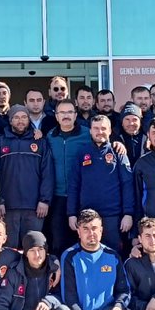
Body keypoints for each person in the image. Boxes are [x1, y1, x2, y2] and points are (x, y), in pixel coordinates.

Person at [67, 115, 134, 252]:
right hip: (87, 216)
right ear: (90, 131)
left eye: (103, 128)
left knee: (113, 255)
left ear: (110, 131)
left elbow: (127, 184)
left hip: (113, 217)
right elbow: (74, 185)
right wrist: (71, 213)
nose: (100, 131)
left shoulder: (118, 152)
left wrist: (128, 213)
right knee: (88, 254)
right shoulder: (82, 153)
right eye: (96, 128)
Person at [0, 105, 54, 240]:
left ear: (29, 119)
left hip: (35, 207)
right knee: (8, 248)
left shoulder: (40, 142)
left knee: (32, 247)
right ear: (10, 120)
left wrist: (44, 200)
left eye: (24, 117)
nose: (21, 121)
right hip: (6, 208)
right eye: (16, 117)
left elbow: (47, 173)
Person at [43, 101, 91, 256]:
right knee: (58, 241)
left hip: (82, 196)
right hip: (57, 197)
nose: (66, 116)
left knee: (83, 239)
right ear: (56, 116)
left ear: (75, 115)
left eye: (70, 112)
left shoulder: (88, 134)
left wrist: (118, 143)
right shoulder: (50, 136)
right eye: (62, 113)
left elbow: (104, 143)